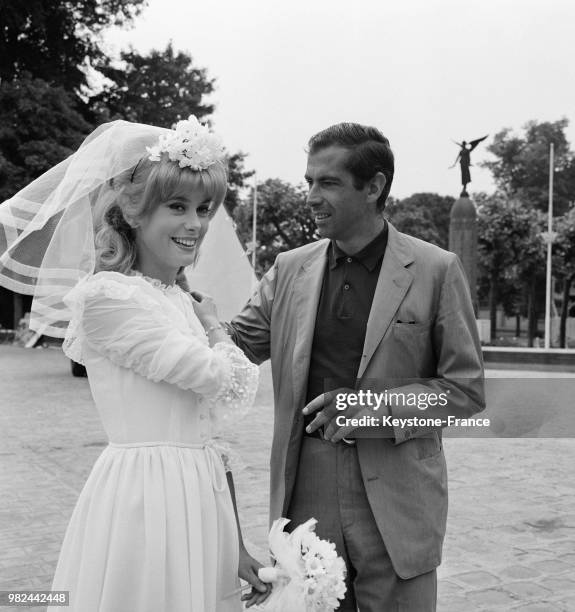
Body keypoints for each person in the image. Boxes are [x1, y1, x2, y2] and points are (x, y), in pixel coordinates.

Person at [0, 117, 270, 611]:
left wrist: (235, 545)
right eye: (177, 207)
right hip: (147, 496)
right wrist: (215, 328)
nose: (195, 224)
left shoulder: (177, 299)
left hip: (199, 496)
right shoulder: (108, 297)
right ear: (133, 210)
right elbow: (223, 379)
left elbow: (209, 430)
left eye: (204, 208)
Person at [227, 122, 485, 611]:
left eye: (327, 183)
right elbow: (232, 347)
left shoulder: (436, 269)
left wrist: (371, 408)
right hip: (307, 487)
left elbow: (465, 390)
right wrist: (165, 292)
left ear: (374, 187)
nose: (310, 196)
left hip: (398, 493)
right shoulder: (288, 269)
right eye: (308, 181)